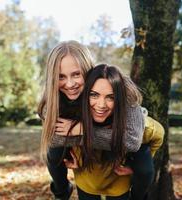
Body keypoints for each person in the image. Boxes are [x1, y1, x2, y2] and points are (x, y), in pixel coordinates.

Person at [37, 41, 145, 200]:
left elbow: (132, 141)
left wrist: (82, 131)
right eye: (61, 77)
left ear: (87, 70)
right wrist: (75, 151)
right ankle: (61, 191)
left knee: (144, 167)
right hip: (91, 158)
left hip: (126, 146)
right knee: (52, 154)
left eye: (76, 74)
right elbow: (55, 138)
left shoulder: (118, 85)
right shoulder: (52, 98)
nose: (70, 84)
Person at [68, 64, 164, 200]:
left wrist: (136, 166)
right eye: (94, 95)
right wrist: (69, 157)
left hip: (118, 185)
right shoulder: (75, 118)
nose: (101, 105)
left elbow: (159, 135)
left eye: (110, 97)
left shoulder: (134, 127)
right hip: (86, 182)